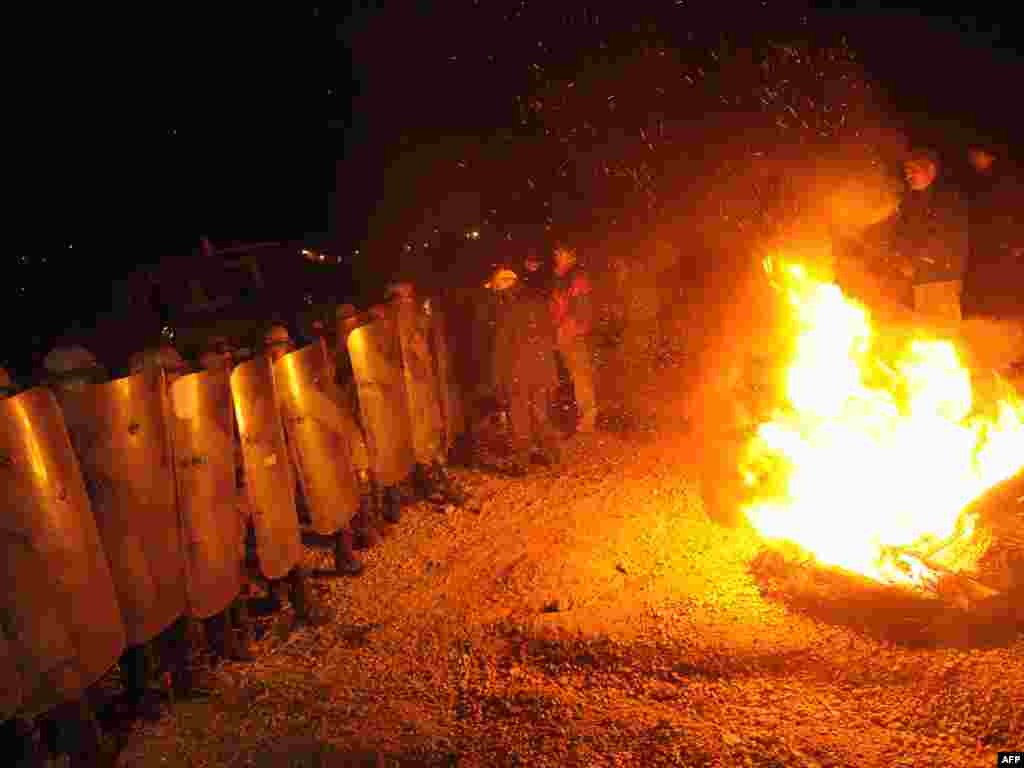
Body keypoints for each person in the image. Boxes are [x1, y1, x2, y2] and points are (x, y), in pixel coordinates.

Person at [388, 281, 466, 505]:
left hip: (421, 387)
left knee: (429, 434)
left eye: (408, 297)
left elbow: (424, 348)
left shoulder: (416, 318)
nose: (406, 302)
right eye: (401, 298)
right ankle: (428, 482)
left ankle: (440, 479)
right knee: (417, 437)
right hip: (406, 391)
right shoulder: (391, 324)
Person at [487, 266, 562, 475]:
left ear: (501, 286)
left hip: (515, 372)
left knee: (518, 416)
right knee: (540, 413)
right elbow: (549, 333)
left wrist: (496, 379)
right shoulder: (536, 300)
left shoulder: (504, 307)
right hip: (541, 367)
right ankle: (551, 454)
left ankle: (521, 461)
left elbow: (500, 346)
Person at [889, 147, 969, 326]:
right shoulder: (912, 200)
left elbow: (943, 239)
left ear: (931, 170)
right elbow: (905, 234)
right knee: (924, 331)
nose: (908, 176)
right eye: (906, 171)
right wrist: (898, 255)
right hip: (921, 279)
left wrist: (913, 261)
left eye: (913, 170)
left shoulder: (948, 199)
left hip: (943, 279)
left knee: (942, 331)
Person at [964, 141, 1024, 317]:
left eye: (975, 155)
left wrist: (1018, 242)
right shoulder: (981, 179)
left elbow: (1015, 209)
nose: (972, 160)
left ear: (986, 155)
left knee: (1005, 294)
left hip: (1007, 249)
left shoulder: (1006, 178)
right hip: (987, 247)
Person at [550, 244, 598, 432]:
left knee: (580, 375)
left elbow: (584, 307)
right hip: (554, 334)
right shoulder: (554, 278)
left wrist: (577, 328)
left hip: (571, 334)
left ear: (571, 256)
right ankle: (562, 418)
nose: (556, 256)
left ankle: (587, 418)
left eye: (560, 253)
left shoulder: (577, 278)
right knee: (558, 377)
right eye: (556, 253)